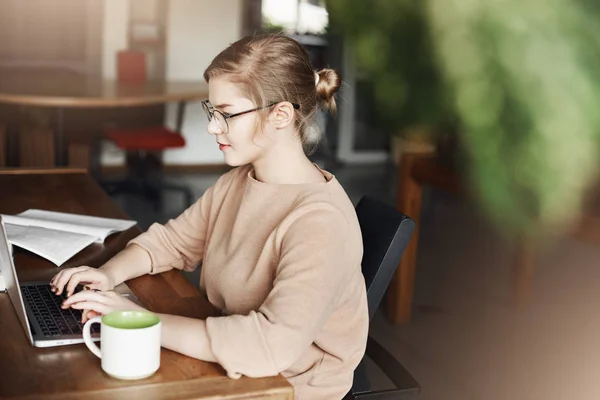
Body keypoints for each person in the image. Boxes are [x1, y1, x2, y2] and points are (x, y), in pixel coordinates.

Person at [51, 34, 369, 400]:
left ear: (280, 114)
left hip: (287, 387)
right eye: (212, 111)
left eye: (228, 114)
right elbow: (170, 242)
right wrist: (107, 276)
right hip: (232, 363)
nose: (212, 127)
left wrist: (140, 321)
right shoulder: (238, 181)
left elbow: (269, 346)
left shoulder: (320, 222)